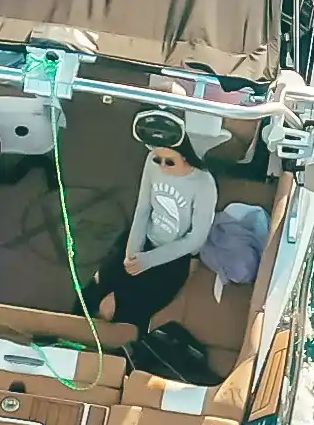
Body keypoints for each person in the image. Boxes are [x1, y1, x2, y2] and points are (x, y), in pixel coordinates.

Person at [82, 133, 219, 339]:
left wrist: (148, 261)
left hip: (173, 255)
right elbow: (143, 208)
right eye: (158, 159)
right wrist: (132, 252)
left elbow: (195, 239)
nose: (162, 166)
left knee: (116, 311)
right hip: (144, 240)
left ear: (185, 157)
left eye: (169, 162)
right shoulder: (152, 162)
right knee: (92, 298)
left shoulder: (203, 184)